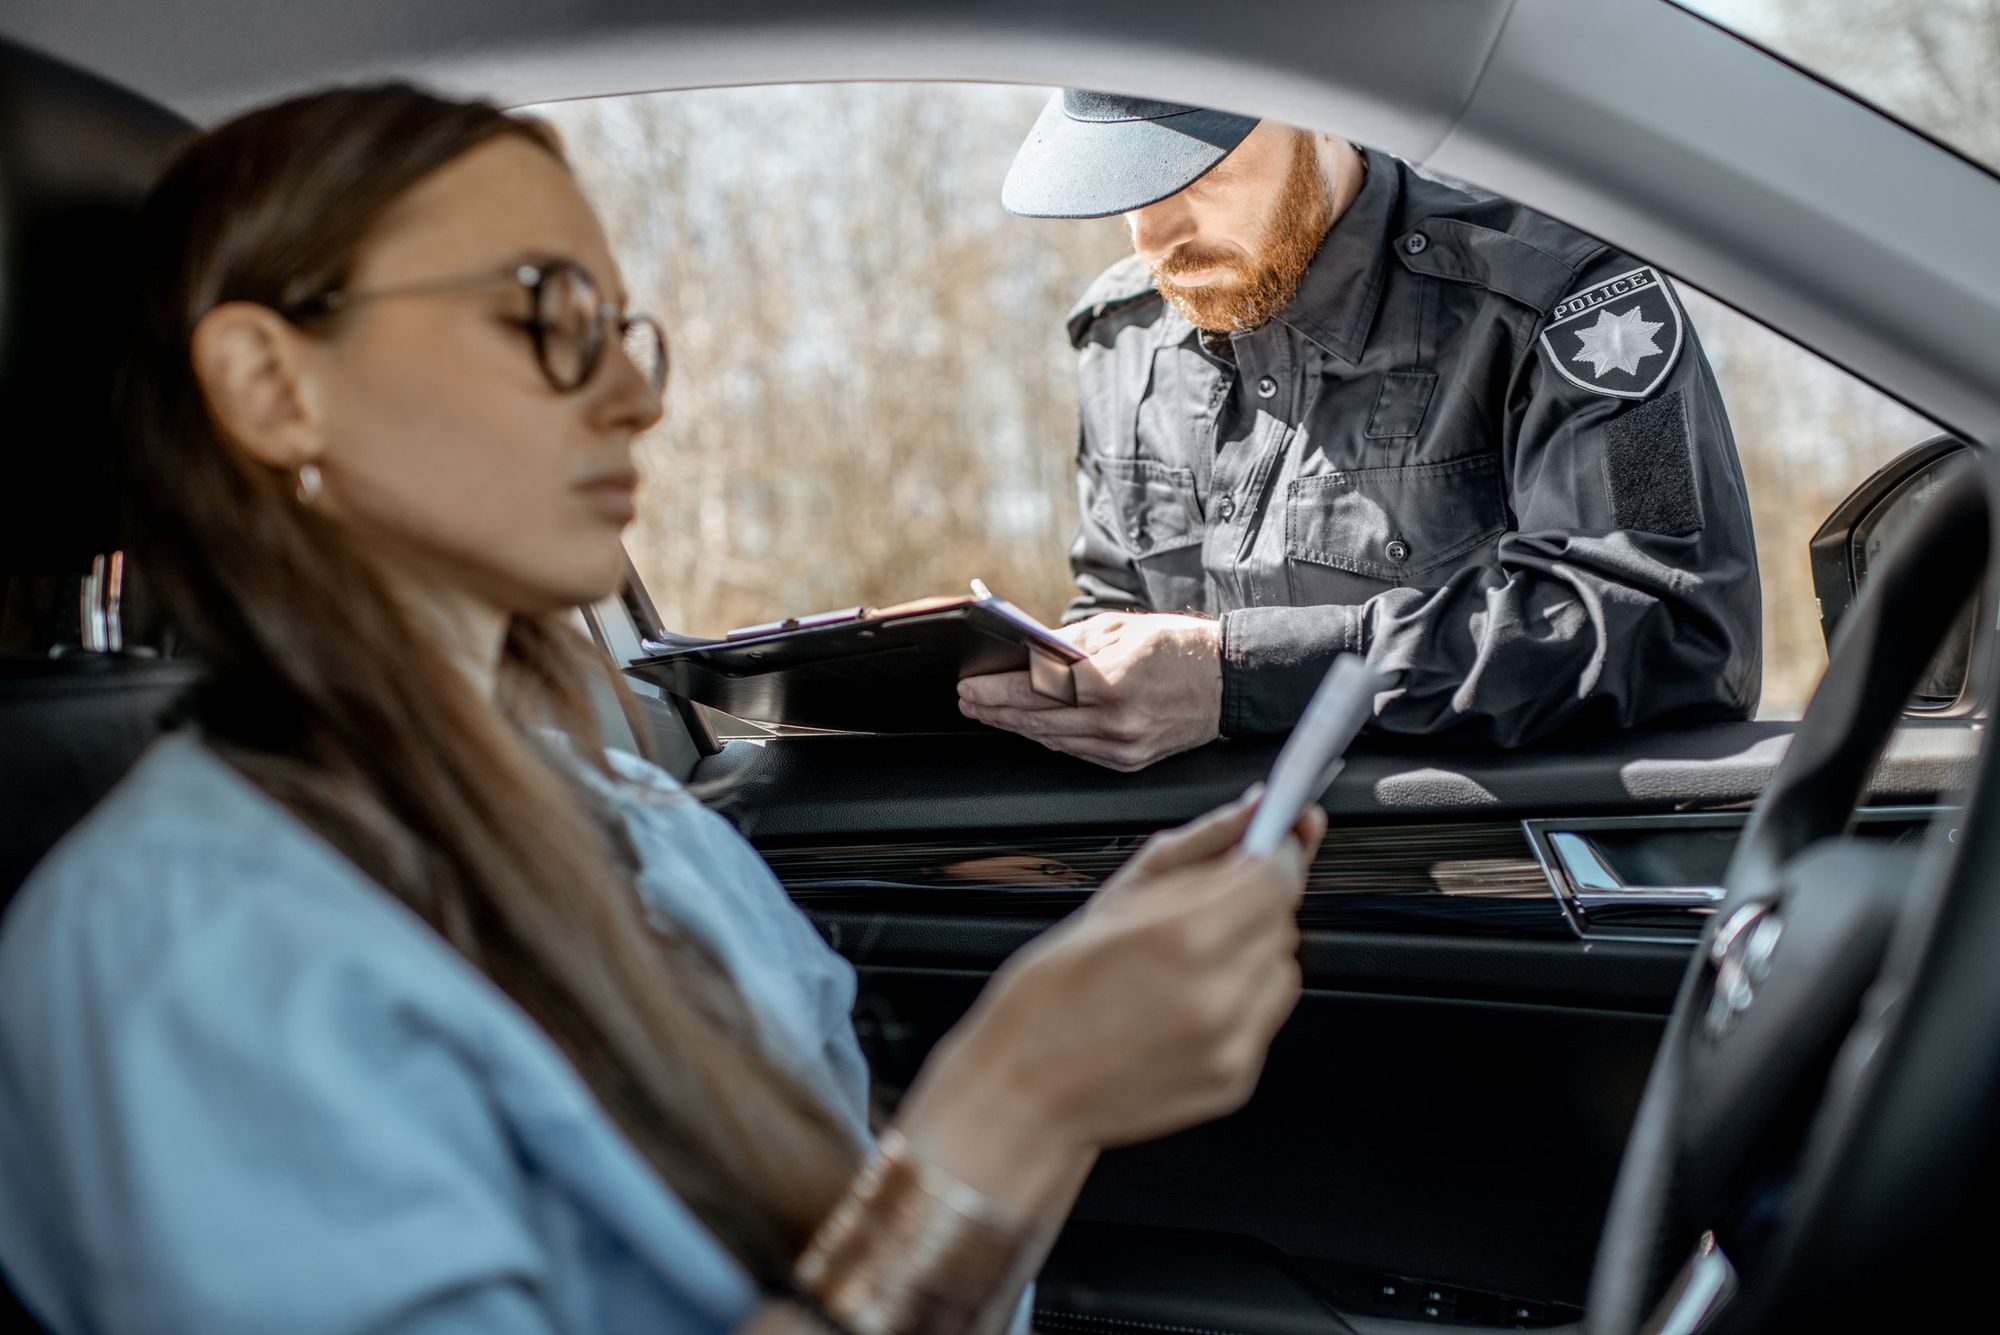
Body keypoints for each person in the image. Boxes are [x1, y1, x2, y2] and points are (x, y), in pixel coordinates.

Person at [0, 87, 1325, 1335]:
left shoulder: (621, 809)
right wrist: (1020, 1105)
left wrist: (1065, 1058)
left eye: (627, 334)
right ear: (274, 386)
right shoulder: (193, 942)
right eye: (547, 316)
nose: (639, 400)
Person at [957, 91, 1763, 771]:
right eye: (1124, 187)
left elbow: (1671, 626)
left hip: (1479, 895)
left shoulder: (1567, 302)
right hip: (1189, 898)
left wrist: (1239, 676)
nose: (1152, 237)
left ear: (1321, 107)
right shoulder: (1124, 338)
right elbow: (1114, 607)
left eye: (1192, 171)